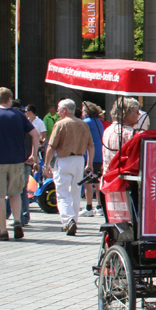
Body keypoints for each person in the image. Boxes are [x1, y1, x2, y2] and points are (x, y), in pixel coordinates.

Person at [0, 88, 38, 240]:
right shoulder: (19, 114)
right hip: (18, 161)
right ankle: (17, 222)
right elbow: (35, 135)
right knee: (15, 193)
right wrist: (34, 154)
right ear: (10, 99)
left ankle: (3, 230)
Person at [43, 98, 94, 236]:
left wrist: (46, 164)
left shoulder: (60, 124)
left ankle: (68, 220)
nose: (58, 112)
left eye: (59, 109)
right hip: (79, 160)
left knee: (62, 193)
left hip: (64, 160)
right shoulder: (83, 124)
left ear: (65, 110)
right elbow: (91, 145)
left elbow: (51, 146)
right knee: (75, 192)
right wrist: (89, 163)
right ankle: (74, 220)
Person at [102, 97, 141, 173]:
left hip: (108, 176)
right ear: (126, 113)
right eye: (136, 112)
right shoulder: (130, 133)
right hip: (124, 178)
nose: (139, 114)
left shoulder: (107, 130)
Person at [81, 101, 106, 217]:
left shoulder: (86, 122)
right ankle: (100, 206)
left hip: (89, 154)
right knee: (97, 181)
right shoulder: (98, 122)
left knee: (87, 182)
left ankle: (88, 206)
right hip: (99, 153)